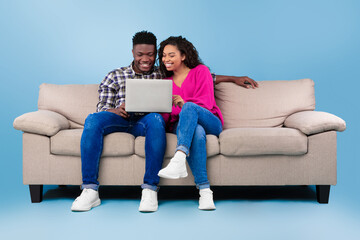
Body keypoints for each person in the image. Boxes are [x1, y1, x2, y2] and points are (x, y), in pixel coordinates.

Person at [71, 31, 257, 213]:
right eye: (140, 54)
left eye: (151, 55)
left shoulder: (161, 74)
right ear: (133, 53)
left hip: (148, 120)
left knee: (159, 117)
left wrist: (234, 78)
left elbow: (204, 75)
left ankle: (150, 188)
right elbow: (101, 106)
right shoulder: (118, 75)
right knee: (93, 119)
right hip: (119, 118)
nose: (146, 59)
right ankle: (89, 190)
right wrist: (115, 109)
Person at [157, 36, 223, 210]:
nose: (166, 60)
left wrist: (183, 104)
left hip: (211, 121)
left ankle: (178, 157)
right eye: (163, 55)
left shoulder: (201, 71)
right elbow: (168, 118)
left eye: (171, 55)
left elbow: (206, 104)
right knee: (197, 133)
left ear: (183, 56)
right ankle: (205, 191)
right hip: (183, 126)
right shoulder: (165, 83)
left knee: (189, 108)